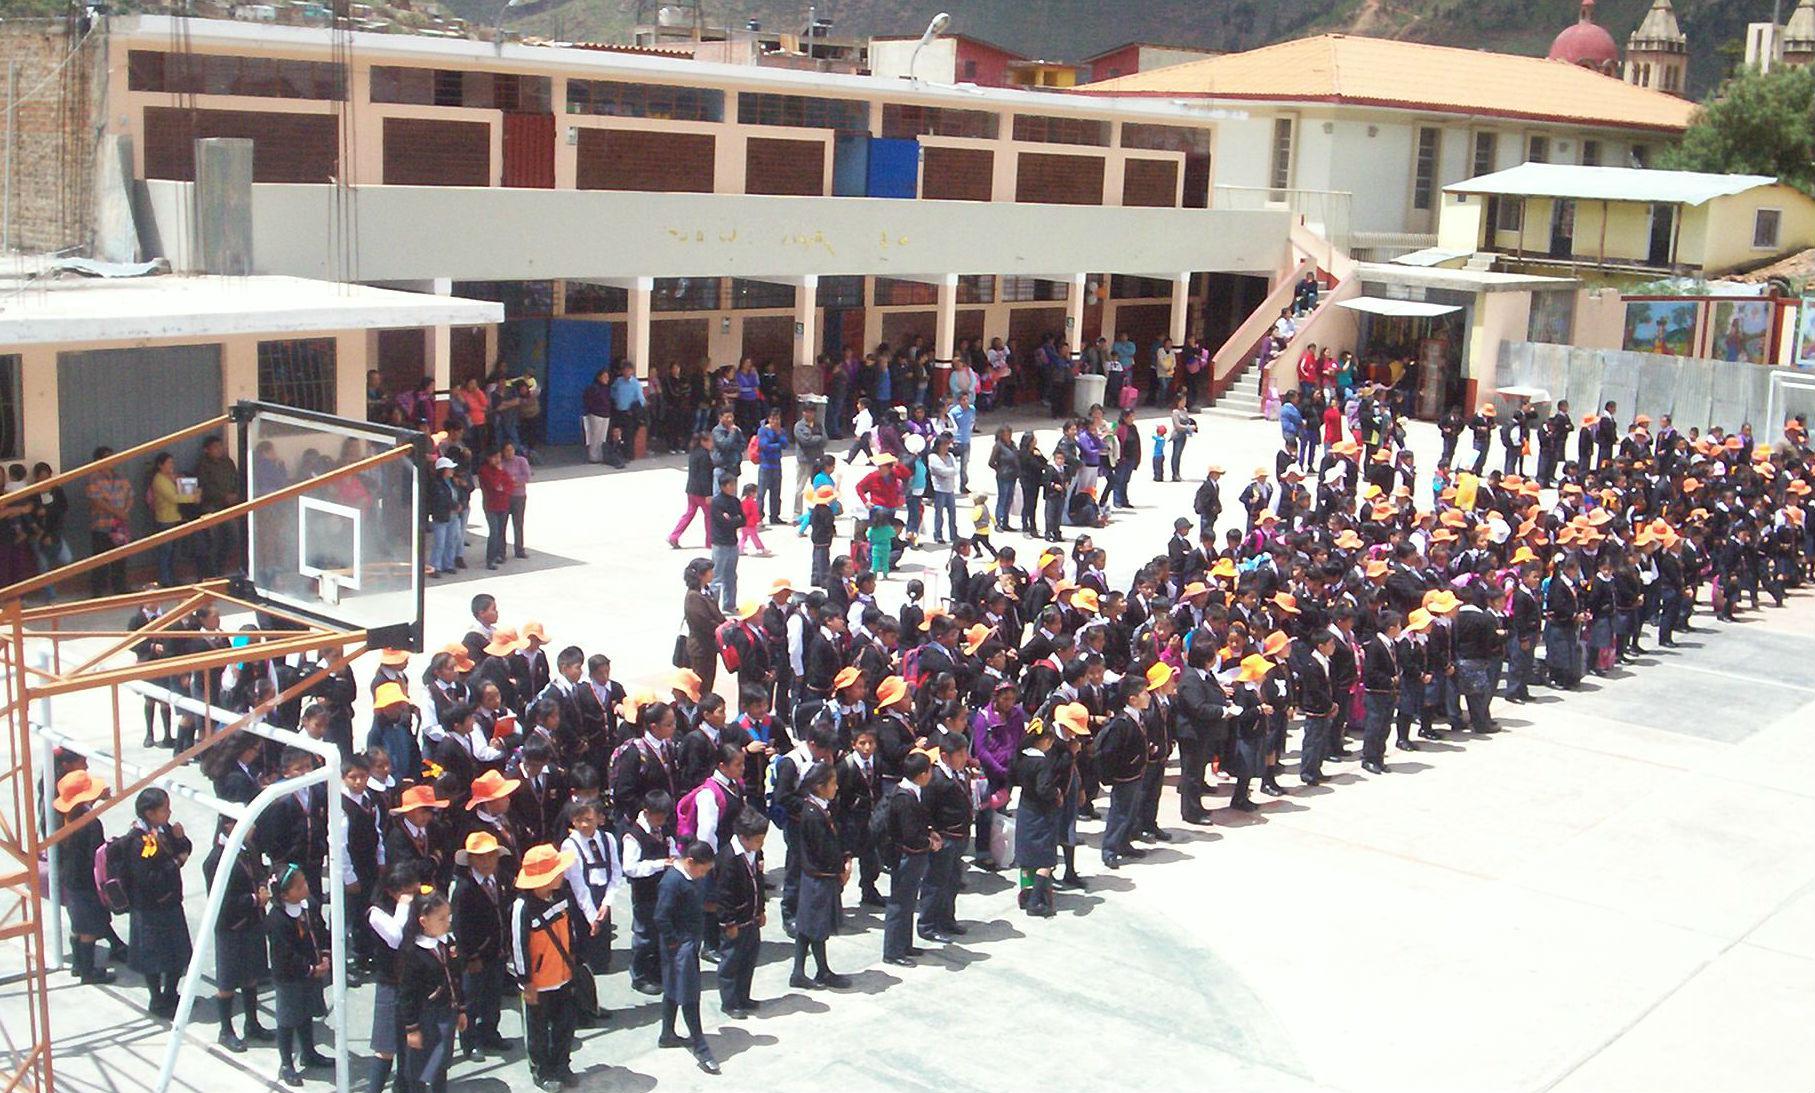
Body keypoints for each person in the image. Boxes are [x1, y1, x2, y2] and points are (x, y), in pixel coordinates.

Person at [510, 843, 582, 1092]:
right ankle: (542, 1071)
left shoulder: (562, 896)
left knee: (565, 1024)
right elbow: (518, 947)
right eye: (558, 871)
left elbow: (569, 931)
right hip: (539, 983)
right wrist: (526, 982)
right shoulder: (523, 907)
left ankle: (562, 1065)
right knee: (537, 1031)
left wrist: (572, 961)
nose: (563, 875)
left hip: (563, 975)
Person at [654, 840, 722, 1074]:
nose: (703, 876)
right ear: (690, 862)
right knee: (689, 993)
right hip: (679, 945)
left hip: (689, 943)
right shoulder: (672, 882)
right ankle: (701, 1047)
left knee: (673, 987)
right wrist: (676, 942)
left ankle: (667, 1034)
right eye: (702, 870)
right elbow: (661, 917)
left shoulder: (690, 879)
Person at [265, 862, 332, 1086]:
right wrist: (311, 969)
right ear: (284, 894)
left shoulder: (309, 905)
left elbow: (320, 931)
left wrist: (324, 955)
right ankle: (286, 1063)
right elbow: (285, 956)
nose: (306, 888)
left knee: (305, 1013)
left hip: (311, 973)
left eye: (305, 882)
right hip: (290, 978)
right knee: (288, 1018)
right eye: (299, 886)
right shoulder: (277, 920)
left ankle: (309, 1051)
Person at [398, 890, 465, 1093]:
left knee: (441, 1062)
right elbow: (407, 994)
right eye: (441, 918)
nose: (447, 922)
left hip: (447, 1012)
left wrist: (461, 1009)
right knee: (420, 1066)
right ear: (423, 921)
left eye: (448, 917)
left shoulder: (448, 944)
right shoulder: (413, 952)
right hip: (426, 1016)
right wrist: (412, 1028)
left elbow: (456, 978)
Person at [669, 432, 715, 549]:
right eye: (710, 441)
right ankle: (710, 541)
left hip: (691, 489)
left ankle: (674, 536)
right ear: (703, 442)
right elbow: (704, 476)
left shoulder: (694, 452)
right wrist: (708, 494)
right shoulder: (704, 455)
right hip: (701, 492)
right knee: (709, 516)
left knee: (689, 514)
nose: (712, 444)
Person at [710, 474, 745, 610]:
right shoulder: (717, 502)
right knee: (716, 577)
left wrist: (732, 519)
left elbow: (743, 520)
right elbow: (723, 523)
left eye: (734, 484)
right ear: (723, 486)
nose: (733, 487)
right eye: (730, 485)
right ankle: (713, 608)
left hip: (732, 543)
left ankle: (729, 604)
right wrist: (733, 520)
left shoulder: (735, 501)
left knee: (731, 576)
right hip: (720, 544)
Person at [501, 441, 532, 560]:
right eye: (507, 450)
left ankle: (519, 549)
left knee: (518, 523)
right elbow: (501, 479)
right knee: (502, 524)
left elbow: (526, 476)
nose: (509, 453)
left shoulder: (521, 461)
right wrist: (511, 482)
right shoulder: (501, 463)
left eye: (511, 450)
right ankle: (501, 551)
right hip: (505, 497)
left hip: (519, 496)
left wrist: (512, 482)